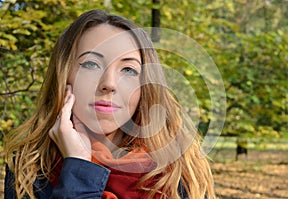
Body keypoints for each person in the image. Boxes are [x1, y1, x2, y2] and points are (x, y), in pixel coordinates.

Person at [4, 10, 215, 199]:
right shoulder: (29, 167)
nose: (109, 84)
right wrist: (78, 167)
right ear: (64, 77)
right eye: (90, 64)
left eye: (128, 70)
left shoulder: (181, 170)